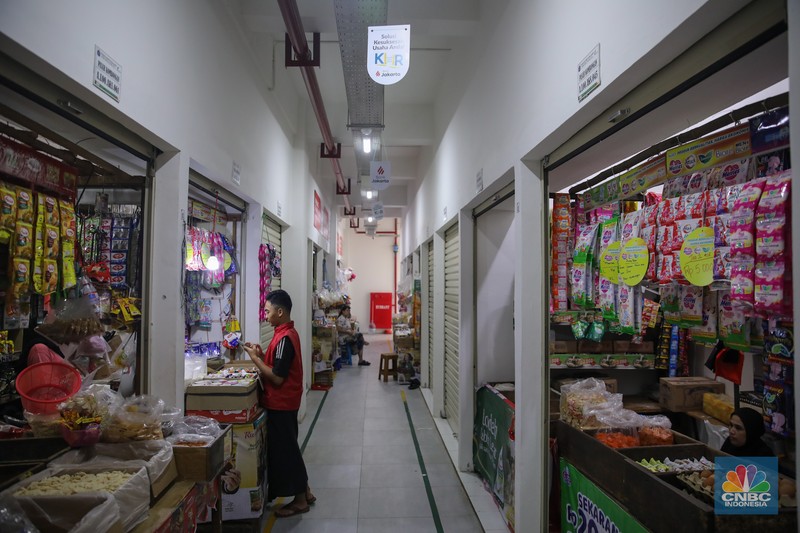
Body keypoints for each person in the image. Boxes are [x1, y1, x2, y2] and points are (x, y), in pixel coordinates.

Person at [242, 290, 315, 518]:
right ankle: (306, 491)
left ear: (280, 312)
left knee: (288, 451)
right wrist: (262, 355)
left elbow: (277, 377)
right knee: (289, 447)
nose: (265, 316)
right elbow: (277, 364)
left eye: (267, 311)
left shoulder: (284, 337)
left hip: (282, 403)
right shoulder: (283, 333)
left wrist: (255, 360)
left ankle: (301, 500)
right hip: (285, 402)